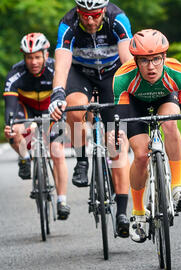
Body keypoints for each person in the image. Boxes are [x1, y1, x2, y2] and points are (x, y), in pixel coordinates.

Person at [49, 0, 133, 238]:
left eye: (95, 15)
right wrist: (57, 92)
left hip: (111, 74)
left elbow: (127, 58)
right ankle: (82, 159)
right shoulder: (68, 24)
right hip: (80, 74)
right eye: (84, 15)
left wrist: (135, 88)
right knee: (74, 109)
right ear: (78, 12)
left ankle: (122, 214)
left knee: (115, 142)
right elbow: (62, 62)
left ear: (103, 11)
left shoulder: (118, 19)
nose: (90, 21)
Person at [112, 29, 181, 242]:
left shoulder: (179, 73)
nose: (151, 66)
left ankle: (177, 188)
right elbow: (122, 118)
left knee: (170, 123)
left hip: (165, 100)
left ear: (164, 57)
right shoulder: (123, 77)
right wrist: (117, 136)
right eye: (144, 61)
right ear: (135, 61)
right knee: (142, 156)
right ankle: (137, 212)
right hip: (135, 106)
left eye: (156, 59)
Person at [3, 33, 70, 220]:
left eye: (37, 57)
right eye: (29, 57)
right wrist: (9, 126)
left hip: (51, 108)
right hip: (27, 109)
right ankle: (25, 158)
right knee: (13, 131)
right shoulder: (16, 74)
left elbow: (65, 95)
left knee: (57, 150)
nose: (33, 62)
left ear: (46, 55)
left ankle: (62, 201)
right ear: (24, 57)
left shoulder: (55, 69)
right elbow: (9, 107)